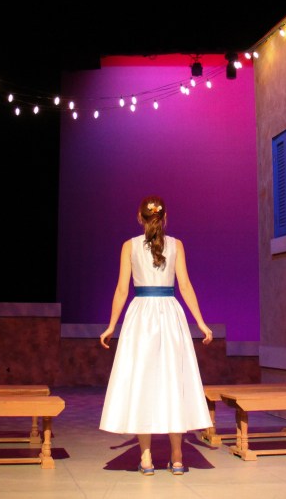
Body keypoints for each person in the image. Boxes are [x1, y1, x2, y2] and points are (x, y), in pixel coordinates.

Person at [99, 195, 213, 475]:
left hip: (141, 316)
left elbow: (122, 290)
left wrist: (112, 325)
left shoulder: (129, 246)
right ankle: (177, 458)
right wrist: (200, 322)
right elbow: (185, 286)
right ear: (165, 217)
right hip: (169, 315)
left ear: (140, 218)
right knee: (173, 380)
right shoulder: (177, 245)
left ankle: (147, 458)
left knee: (143, 382)